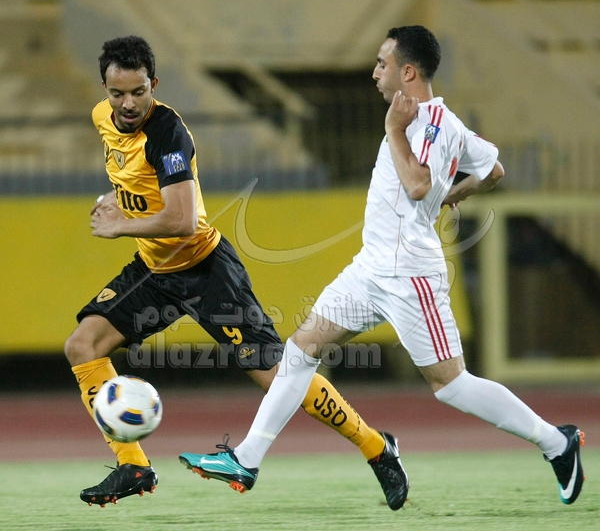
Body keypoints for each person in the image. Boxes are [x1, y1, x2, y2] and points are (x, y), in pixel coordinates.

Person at [184, 25, 585, 509]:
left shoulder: (426, 123)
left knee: (451, 385)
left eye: (382, 63)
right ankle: (247, 459)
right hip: (371, 269)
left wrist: (398, 135)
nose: (375, 72)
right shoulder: (444, 122)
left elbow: (417, 185)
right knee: (301, 350)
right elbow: (493, 169)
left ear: (408, 71)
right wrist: (455, 193)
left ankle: (556, 442)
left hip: (410, 276)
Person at [64, 35, 407, 509]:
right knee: (82, 345)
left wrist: (122, 223)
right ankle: (133, 466)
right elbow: (137, 179)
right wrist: (120, 198)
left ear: (153, 85)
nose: (127, 104)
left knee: (277, 377)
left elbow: (184, 220)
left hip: (206, 271)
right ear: (104, 89)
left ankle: (377, 447)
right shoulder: (102, 119)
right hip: (154, 269)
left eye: (138, 92)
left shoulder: (168, 134)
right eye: (117, 93)